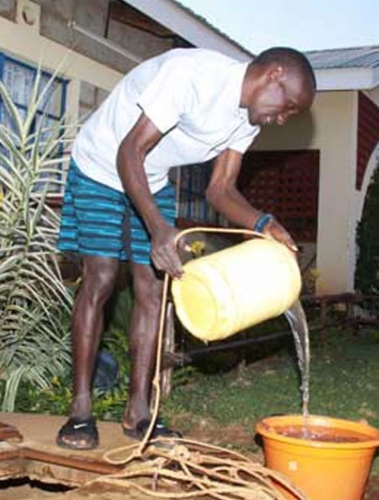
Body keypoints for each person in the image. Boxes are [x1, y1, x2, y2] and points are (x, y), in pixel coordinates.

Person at [55, 47, 316, 450]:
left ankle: (139, 412)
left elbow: (220, 189)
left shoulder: (246, 122)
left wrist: (263, 223)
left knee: (154, 289)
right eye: (288, 107)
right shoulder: (191, 76)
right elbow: (130, 152)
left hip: (151, 177)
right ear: (274, 74)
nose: (282, 119)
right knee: (103, 274)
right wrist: (159, 229)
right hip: (101, 165)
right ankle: (80, 409)